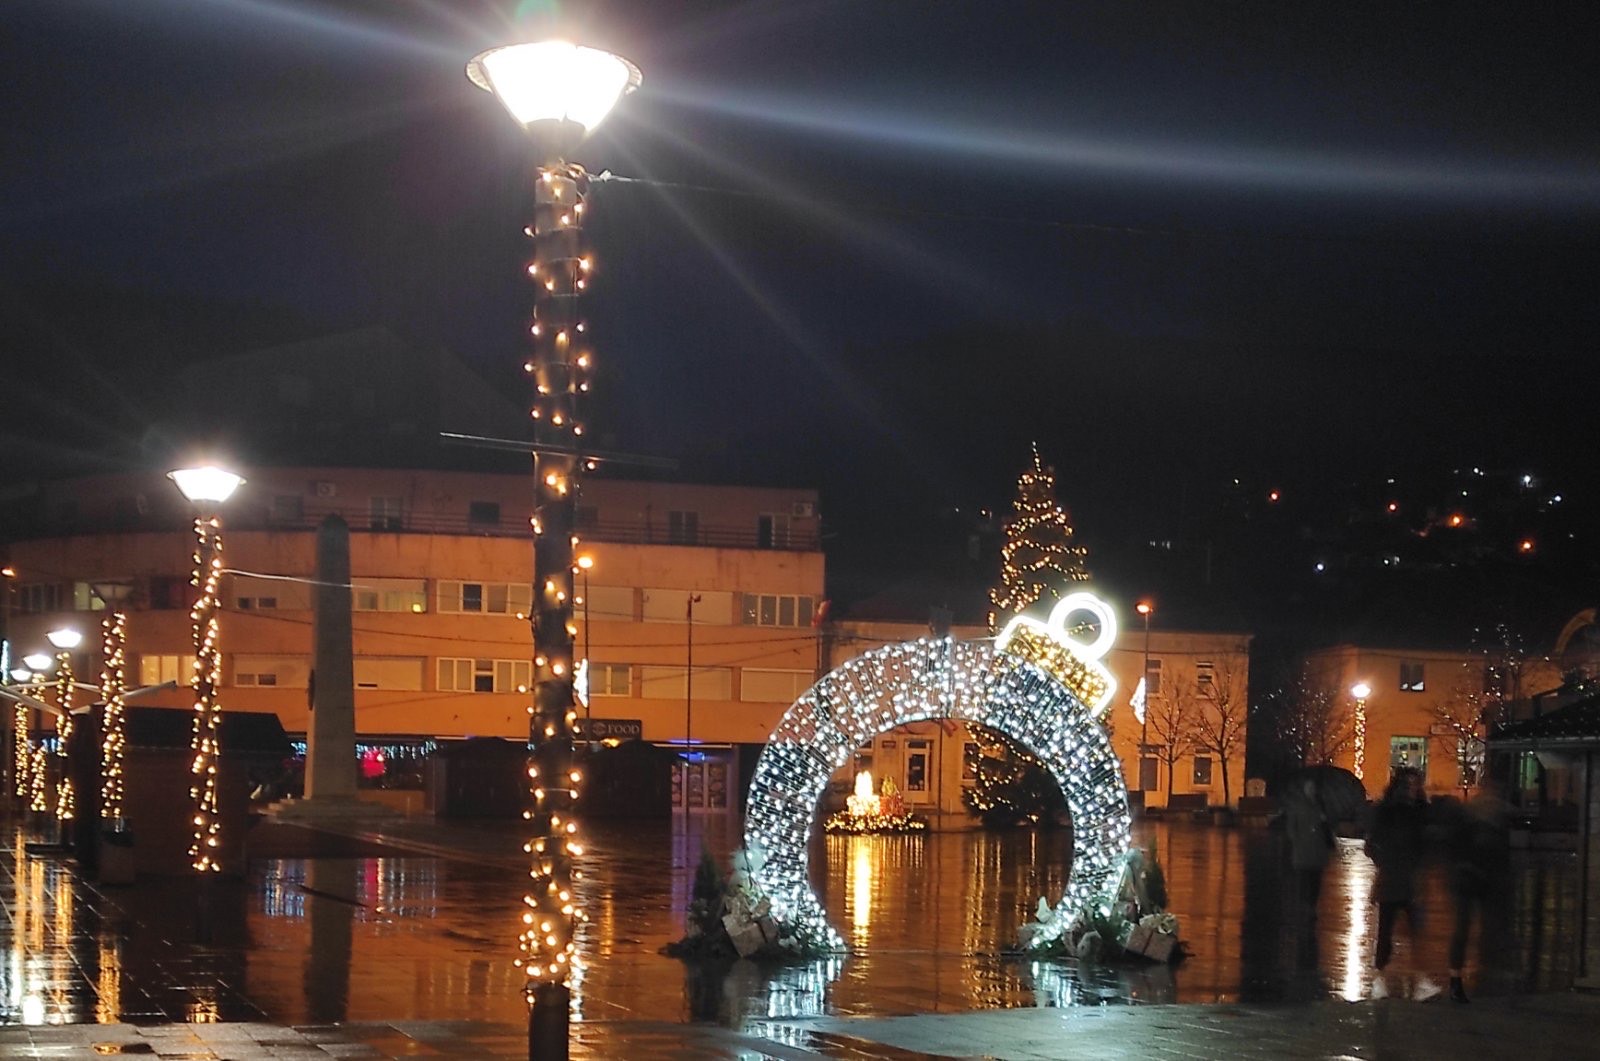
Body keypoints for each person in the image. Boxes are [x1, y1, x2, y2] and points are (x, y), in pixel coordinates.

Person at [1364, 768, 1441, 1000]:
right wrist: (1386, 861)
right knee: (1387, 930)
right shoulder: (1389, 812)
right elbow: (1372, 844)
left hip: (1410, 879)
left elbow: (1426, 845)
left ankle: (1417, 979)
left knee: (1416, 931)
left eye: (1416, 784)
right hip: (1393, 877)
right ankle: (1381, 977)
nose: (1413, 789)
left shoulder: (1420, 812)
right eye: (1408, 784)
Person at [1445, 777, 1512, 1003]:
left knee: (1483, 929)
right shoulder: (1472, 819)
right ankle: (1457, 979)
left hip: (1481, 881)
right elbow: (1457, 850)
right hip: (1469, 880)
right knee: (1465, 929)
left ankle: (1472, 977)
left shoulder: (1492, 821)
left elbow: (1500, 856)